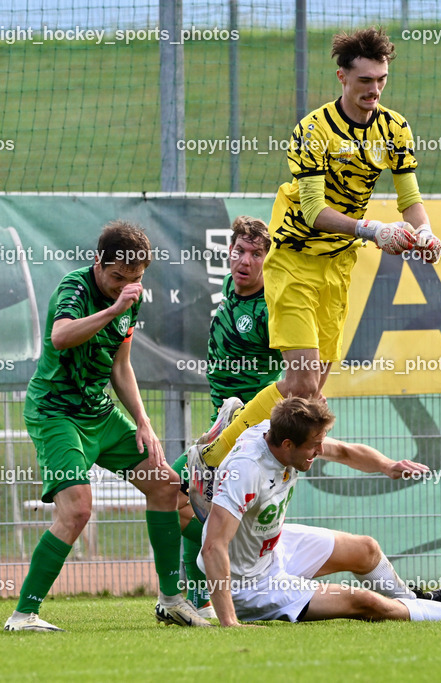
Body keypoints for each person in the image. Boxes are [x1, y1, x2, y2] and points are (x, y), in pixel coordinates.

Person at [197, 27, 441, 470]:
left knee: (310, 396)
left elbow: (410, 199)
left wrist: (424, 233)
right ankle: (213, 458)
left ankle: (242, 444)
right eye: (365, 80)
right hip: (293, 261)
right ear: (342, 78)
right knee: (301, 380)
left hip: (338, 266)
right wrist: (373, 231)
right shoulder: (313, 129)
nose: (375, 89)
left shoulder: (394, 128)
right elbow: (312, 209)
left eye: (382, 79)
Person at [5, 221, 210, 632]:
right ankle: (23, 615)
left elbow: (120, 365)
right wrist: (114, 308)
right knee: (78, 508)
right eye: (117, 277)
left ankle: (173, 600)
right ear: (98, 262)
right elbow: (61, 336)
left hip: (99, 413)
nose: (124, 286)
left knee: (168, 488)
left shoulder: (131, 297)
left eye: (134, 279)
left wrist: (143, 421)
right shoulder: (75, 289)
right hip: (55, 412)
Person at [200, 397, 441, 626]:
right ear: (287, 445)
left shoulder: (277, 434)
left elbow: (344, 451)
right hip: (249, 584)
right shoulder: (247, 468)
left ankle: (418, 602)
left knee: (366, 549)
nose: (320, 451)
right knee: (364, 601)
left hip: (274, 549)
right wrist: (230, 621)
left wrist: (388, 466)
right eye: (314, 447)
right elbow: (214, 546)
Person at [171, 216, 282, 614]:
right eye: (239, 251)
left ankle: (194, 600)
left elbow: (293, 364)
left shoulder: (272, 307)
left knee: (177, 491)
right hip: (225, 422)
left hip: (251, 431)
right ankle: (198, 599)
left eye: (256, 254)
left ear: (270, 261)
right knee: (189, 499)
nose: (245, 260)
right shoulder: (231, 287)